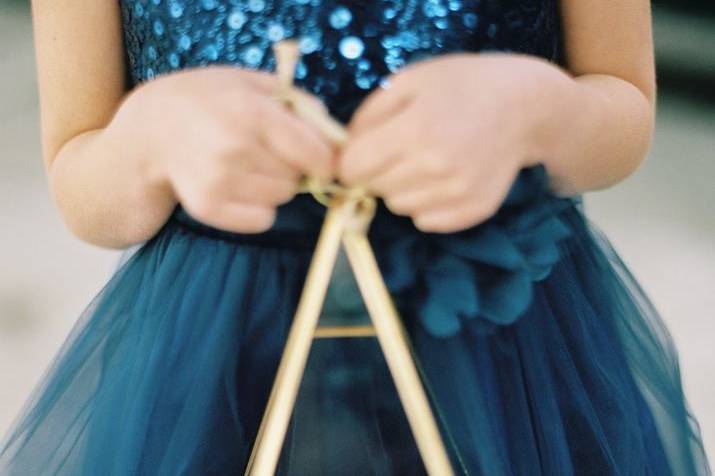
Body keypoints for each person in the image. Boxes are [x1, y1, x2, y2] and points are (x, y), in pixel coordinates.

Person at [0, 0, 710, 474]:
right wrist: (151, 137)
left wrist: (537, 110)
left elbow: (620, 100)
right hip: (217, 346)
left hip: (497, 336)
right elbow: (81, 178)